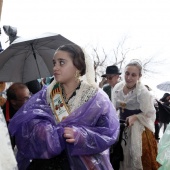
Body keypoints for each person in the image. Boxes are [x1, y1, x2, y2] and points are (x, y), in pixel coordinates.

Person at [8, 44, 119, 170]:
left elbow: (109, 133)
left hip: (83, 162)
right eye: (54, 63)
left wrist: (82, 136)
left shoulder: (97, 98)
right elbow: (28, 120)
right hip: (47, 161)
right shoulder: (47, 93)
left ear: (78, 65)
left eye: (61, 63)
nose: (55, 68)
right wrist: (41, 130)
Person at [112, 60, 159, 170]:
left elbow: (150, 114)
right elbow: (113, 107)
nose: (129, 77)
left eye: (133, 75)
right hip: (121, 127)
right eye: (127, 73)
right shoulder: (117, 88)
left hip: (138, 130)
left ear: (139, 76)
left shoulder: (142, 92)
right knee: (119, 156)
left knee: (135, 156)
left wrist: (136, 117)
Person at [2, 83, 31, 149]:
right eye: (26, 98)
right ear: (13, 102)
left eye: (30, 95)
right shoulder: (4, 121)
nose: (30, 100)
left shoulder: (27, 108)